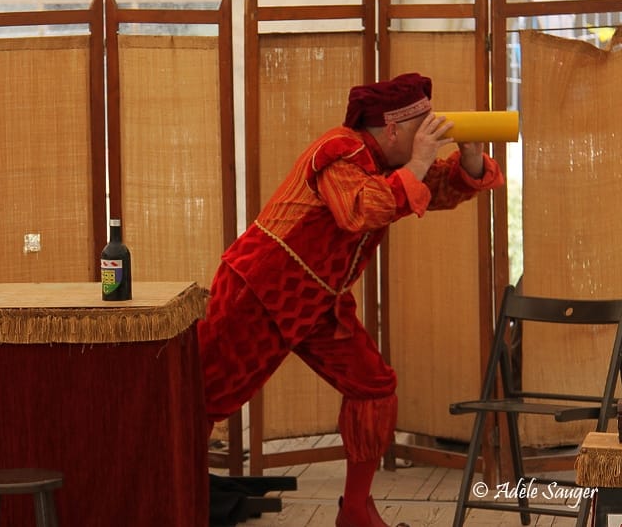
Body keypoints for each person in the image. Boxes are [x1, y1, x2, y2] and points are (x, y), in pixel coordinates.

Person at [197, 73, 505, 527]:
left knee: (374, 387)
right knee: (204, 396)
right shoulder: (337, 151)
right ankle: (172, 494)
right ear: (395, 130)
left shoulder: (385, 160)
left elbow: (435, 186)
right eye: (423, 130)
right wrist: (418, 162)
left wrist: (472, 159)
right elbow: (360, 210)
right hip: (261, 288)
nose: (432, 140)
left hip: (320, 299)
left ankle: (356, 512)